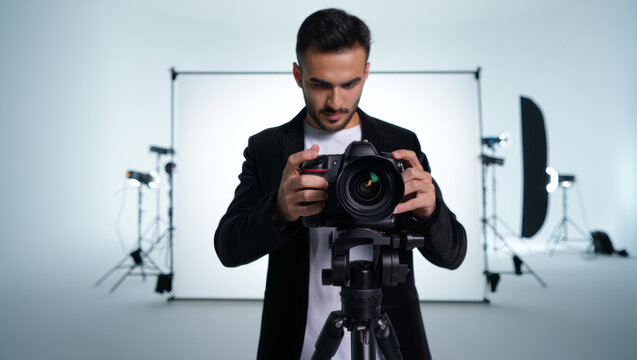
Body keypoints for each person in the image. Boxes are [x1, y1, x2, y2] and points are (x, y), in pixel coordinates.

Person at [214, 8, 467, 360]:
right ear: (298, 75)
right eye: (320, 84)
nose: (335, 101)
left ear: (365, 73)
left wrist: (431, 210)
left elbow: (453, 255)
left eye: (350, 84)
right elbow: (228, 248)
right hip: (297, 342)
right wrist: (278, 210)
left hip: (390, 336)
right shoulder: (269, 149)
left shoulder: (399, 142)